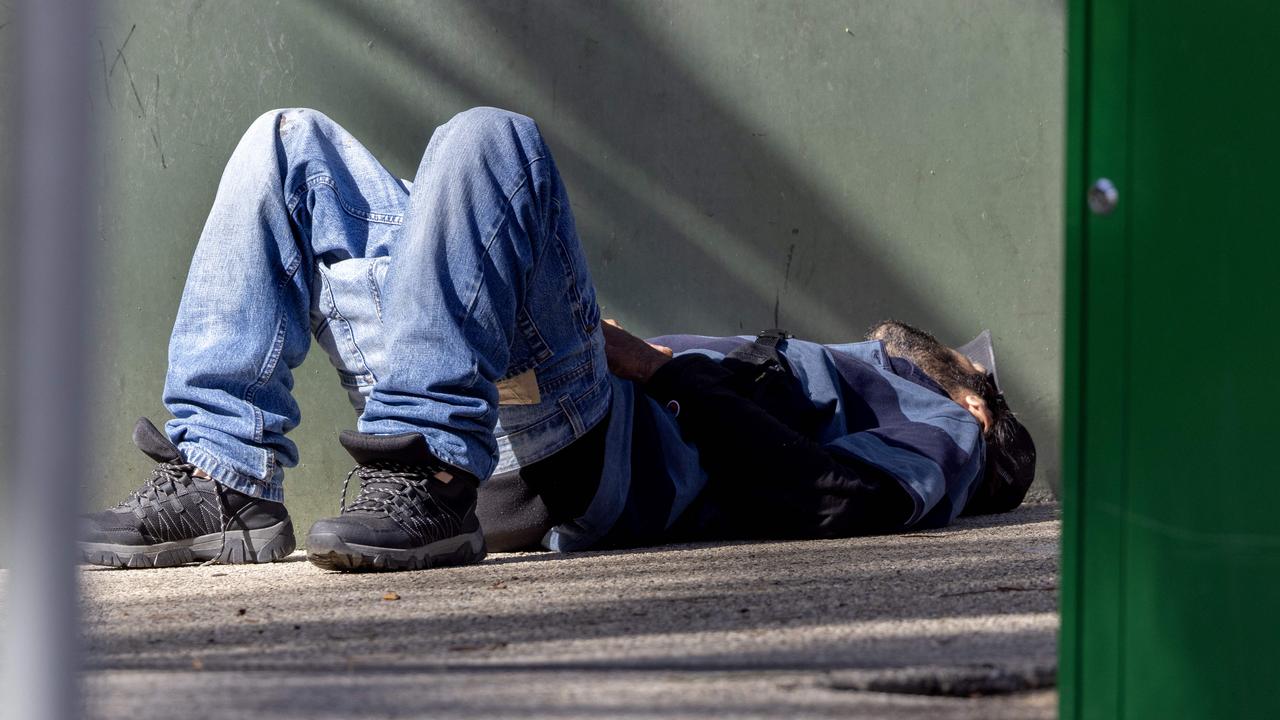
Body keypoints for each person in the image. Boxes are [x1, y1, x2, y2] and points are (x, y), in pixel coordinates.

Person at [79, 107, 1036, 571]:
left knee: (491, 139)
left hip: (575, 461)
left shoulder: (944, 432)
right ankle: (228, 482)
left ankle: (430, 474)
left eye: (907, 346)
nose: (885, 341)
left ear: (970, 395)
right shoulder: (836, 375)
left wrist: (664, 370)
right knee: (289, 144)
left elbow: (832, 500)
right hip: (518, 407)